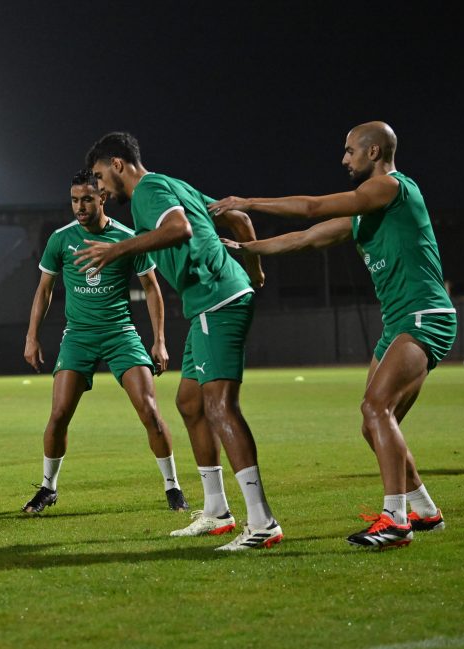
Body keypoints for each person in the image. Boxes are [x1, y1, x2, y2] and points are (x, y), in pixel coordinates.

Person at [209, 121, 455, 550]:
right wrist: (246, 250)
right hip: (397, 321)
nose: (344, 159)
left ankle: (395, 521)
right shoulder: (364, 214)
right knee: (374, 421)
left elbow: (311, 208)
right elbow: (305, 238)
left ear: (374, 152)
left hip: (424, 315)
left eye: (349, 151)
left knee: (376, 407)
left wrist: (247, 202)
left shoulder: (391, 188)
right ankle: (425, 511)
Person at [75, 132, 283, 551]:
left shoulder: (148, 191)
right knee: (189, 402)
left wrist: (117, 251)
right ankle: (216, 511)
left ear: (118, 165)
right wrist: (254, 268)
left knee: (221, 406)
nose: (98, 187)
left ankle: (262, 523)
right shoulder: (173, 184)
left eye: (99, 176)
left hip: (217, 300)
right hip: (212, 301)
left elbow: (179, 228)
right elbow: (238, 219)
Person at [21, 170, 188, 515]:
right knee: (58, 416)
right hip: (78, 336)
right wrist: (32, 335)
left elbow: (153, 288)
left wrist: (159, 341)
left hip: (120, 334)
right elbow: (44, 290)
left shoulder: (127, 239)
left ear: (103, 198)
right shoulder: (61, 240)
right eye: (74, 200)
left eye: (86, 199)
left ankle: (173, 487)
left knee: (151, 413)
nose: (79, 207)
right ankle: (48, 488)